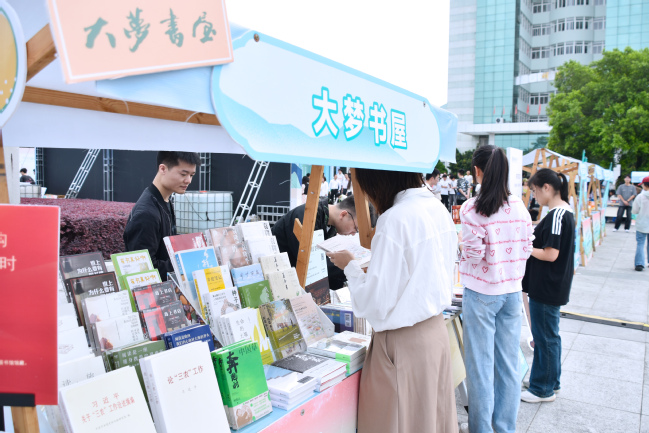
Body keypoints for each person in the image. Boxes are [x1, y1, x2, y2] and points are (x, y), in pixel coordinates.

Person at [327, 169, 458, 432]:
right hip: (435, 332)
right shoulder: (437, 208)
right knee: (430, 420)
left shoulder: (394, 219)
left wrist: (351, 267)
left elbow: (375, 303)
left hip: (402, 342)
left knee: (394, 420)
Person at [459, 145, 533, 433]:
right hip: (512, 292)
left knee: (480, 367)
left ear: (477, 171)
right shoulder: (519, 206)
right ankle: (504, 428)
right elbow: (527, 247)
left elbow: (473, 255)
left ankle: (482, 429)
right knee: (509, 365)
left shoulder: (472, 208)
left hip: (481, 293)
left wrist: (460, 249)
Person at [521, 168, 575, 403]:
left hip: (546, 286)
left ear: (547, 188)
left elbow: (551, 254)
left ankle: (542, 389)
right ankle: (549, 381)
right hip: (551, 285)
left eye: (534, 190)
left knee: (544, 338)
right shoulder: (562, 213)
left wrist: (526, 248)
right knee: (549, 336)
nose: (534, 196)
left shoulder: (557, 215)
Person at [123, 151, 200, 280]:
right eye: (183, 174)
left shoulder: (164, 201)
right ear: (163, 169)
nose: (188, 180)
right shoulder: (146, 213)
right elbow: (142, 269)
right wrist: (187, 263)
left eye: (191, 175)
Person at [271, 196, 362, 290]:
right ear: (343, 215)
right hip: (278, 281)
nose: (353, 234)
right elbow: (312, 265)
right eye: (356, 228)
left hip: (291, 279)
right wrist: (351, 266)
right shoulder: (308, 216)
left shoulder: (328, 223)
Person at [632, 176, 649, 271]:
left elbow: (634, 210)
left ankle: (639, 263)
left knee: (640, 243)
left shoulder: (640, 197)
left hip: (642, 223)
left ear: (645, 185)